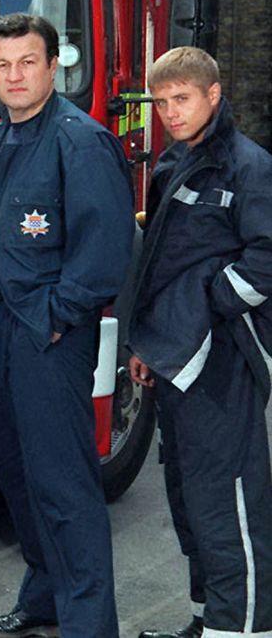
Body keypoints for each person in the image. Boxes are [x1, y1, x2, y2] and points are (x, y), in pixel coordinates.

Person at [0, 13, 131, 638]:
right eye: (2, 65)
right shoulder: (2, 136)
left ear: (55, 67)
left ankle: (88, 624)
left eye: (27, 62)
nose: (13, 75)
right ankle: (45, 597)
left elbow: (106, 249)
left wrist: (58, 318)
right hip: (1, 327)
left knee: (63, 484)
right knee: (16, 472)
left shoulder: (79, 141)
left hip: (46, 335)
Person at [128, 46, 272, 638]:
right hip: (176, 359)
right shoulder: (171, 164)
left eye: (181, 99)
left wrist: (215, 305)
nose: (170, 112)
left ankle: (243, 628)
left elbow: (266, 258)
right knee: (189, 497)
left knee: (229, 498)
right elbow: (161, 269)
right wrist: (150, 344)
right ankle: (206, 616)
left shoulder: (248, 165)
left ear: (214, 94)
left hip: (224, 361)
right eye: (161, 102)